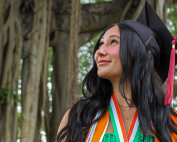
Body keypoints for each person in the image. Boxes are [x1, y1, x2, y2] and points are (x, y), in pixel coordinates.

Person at [57, 1, 177, 142]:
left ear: (141, 52)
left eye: (113, 42)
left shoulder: (170, 122)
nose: (99, 51)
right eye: (101, 44)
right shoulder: (80, 117)